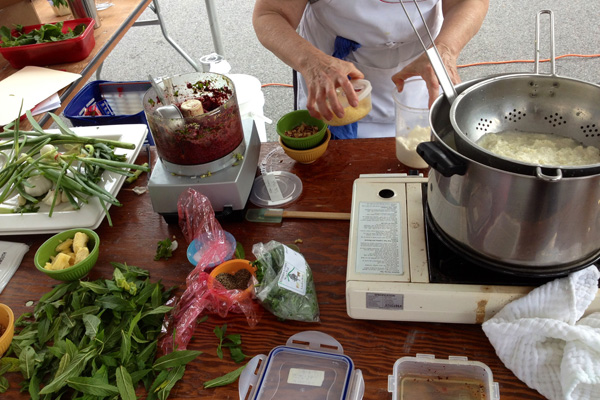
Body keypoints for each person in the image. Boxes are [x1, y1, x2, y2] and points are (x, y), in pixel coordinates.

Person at [253, 0, 489, 138]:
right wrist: (312, 62)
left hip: (421, 68)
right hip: (330, 73)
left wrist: (445, 49)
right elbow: (270, 14)